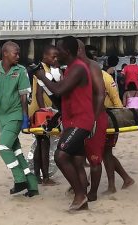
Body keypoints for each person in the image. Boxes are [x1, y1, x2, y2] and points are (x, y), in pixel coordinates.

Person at [35, 36, 94, 211]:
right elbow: (61, 96)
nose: (56, 54)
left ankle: (80, 195)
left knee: (60, 156)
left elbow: (59, 89)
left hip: (81, 121)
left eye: (58, 51)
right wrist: (47, 85)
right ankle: (82, 199)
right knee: (76, 161)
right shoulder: (69, 69)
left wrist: (42, 77)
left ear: (67, 52)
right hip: (71, 120)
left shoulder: (78, 68)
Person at [0, 41, 38, 197]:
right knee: (16, 150)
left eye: (18, 53)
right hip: (1, 116)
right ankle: (32, 186)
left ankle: (20, 180)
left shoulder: (21, 71)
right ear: (5, 53)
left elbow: (24, 96)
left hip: (16, 115)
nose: (18, 56)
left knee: (3, 147)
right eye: (15, 53)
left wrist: (24, 117)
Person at [85, 44, 134, 195]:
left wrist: (119, 120)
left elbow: (116, 99)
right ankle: (126, 179)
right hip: (90, 120)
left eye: (95, 56)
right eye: (91, 56)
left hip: (108, 119)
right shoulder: (82, 75)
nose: (95, 59)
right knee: (101, 153)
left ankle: (113, 185)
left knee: (105, 153)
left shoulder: (104, 76)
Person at [77, 40, 107, 202]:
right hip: (78, 117)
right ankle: (81, 186)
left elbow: (101, 94)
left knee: (95, 158)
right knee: (76, 156)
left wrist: (93, 119)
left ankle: (93, 192)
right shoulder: (72, 68)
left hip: (94, 117)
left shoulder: (93, 67)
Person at [28, 45, 59, 186]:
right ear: (45, 56)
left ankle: (37, 176)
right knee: (44, 144)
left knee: (40, 144)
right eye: (53, 57)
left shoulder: (45, 69)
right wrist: (44, 113)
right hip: (40, 112)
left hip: (40, 111)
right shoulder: (41, 71)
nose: (55, 59)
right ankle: (45, 177)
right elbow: (38, 94)